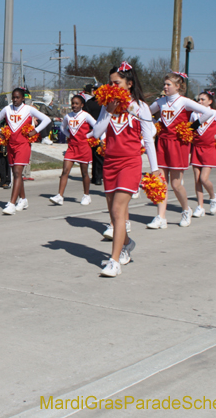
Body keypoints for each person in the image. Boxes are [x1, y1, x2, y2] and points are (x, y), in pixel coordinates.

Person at [92, 62, 160, 277]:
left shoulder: (140, 107)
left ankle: (113, 262)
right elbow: (96, 133)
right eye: (110, 83)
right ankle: (127, 244)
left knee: (118, 211)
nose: (112, 87)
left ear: (129, 84)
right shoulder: (107, 105)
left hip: (130, 163)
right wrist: (110, 112)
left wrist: (155, 168)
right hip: (110, 163)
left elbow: (149, 139)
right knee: (114, 212)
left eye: (117, 83)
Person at [147, 72, 214, 229]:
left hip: (178, 144)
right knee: (160, 182)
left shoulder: (184, 101)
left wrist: (193, 126)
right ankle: (160, 216)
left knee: (176, 184)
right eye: (164, 84)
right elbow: (145, 114)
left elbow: (208, 112)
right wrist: (155, 123)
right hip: (162, 143)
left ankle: (186, 210)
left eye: (168, 84)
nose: (165, 87)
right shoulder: (161, 101)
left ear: (178, 86)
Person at [0, 87, 50, 215]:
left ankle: (12, 204)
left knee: (18, 172)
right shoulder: (7, 109)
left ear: (23, 98)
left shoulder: (29, 109)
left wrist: (36, 130)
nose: (15, 100)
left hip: (23, 145)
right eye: (13, 97)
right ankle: (23, 200)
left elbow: (47, 119)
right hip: (11, 145)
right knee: (15, 173)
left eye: (17, 97)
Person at [189, 91, 216, 217]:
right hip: (196, 148)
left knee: (204, 178)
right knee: (197, 180)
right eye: (198, 99)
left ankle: (213, 197)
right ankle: (200, 206)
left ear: (210, 101)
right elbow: (191, 130)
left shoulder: (215, 114)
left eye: (203, 99)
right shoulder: (194, 114)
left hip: (209, 149)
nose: (200, 102)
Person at [49, 95, 96, 206]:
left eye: (76, 103)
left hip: (84, 147)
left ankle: (86, 195)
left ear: (82, 105)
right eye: (73, 103)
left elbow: (96, 126)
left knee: (84, 173)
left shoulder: (86, 115)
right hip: (72, 147)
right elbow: (62, 127)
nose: (74, 106)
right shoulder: (68, 116)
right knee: (65, 171)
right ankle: (60, 196)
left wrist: (88, 136)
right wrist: (68, 135)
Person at [83, 84, 104, 185]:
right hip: (93, 132)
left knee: (98, 155)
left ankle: (98, 177)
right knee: (96, 155)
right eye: (95, 89)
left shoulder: (105, 103)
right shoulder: (89, 103)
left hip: (102, 131)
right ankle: (97, 177)